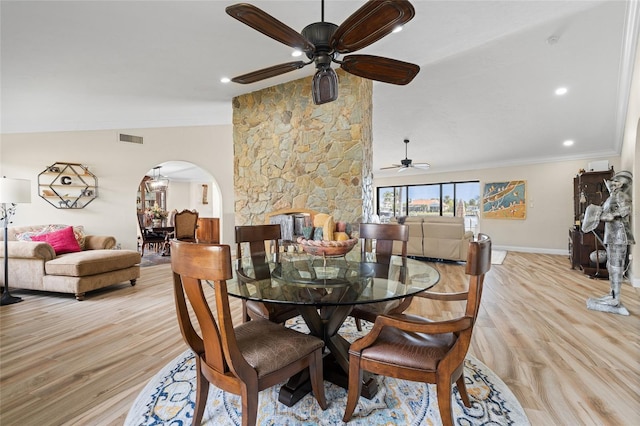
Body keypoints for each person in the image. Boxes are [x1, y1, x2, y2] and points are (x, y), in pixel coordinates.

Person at [589, 171, 634, 310]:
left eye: (615, 182)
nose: (612, 185)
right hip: (612, 235)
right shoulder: (611, 197)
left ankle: (615, 298)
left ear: (621, 184)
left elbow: (626, 210)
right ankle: (613, 295)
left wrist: (610, 216)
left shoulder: (620, 195)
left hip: (619, 235)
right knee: (611, 265)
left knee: (615, 267)